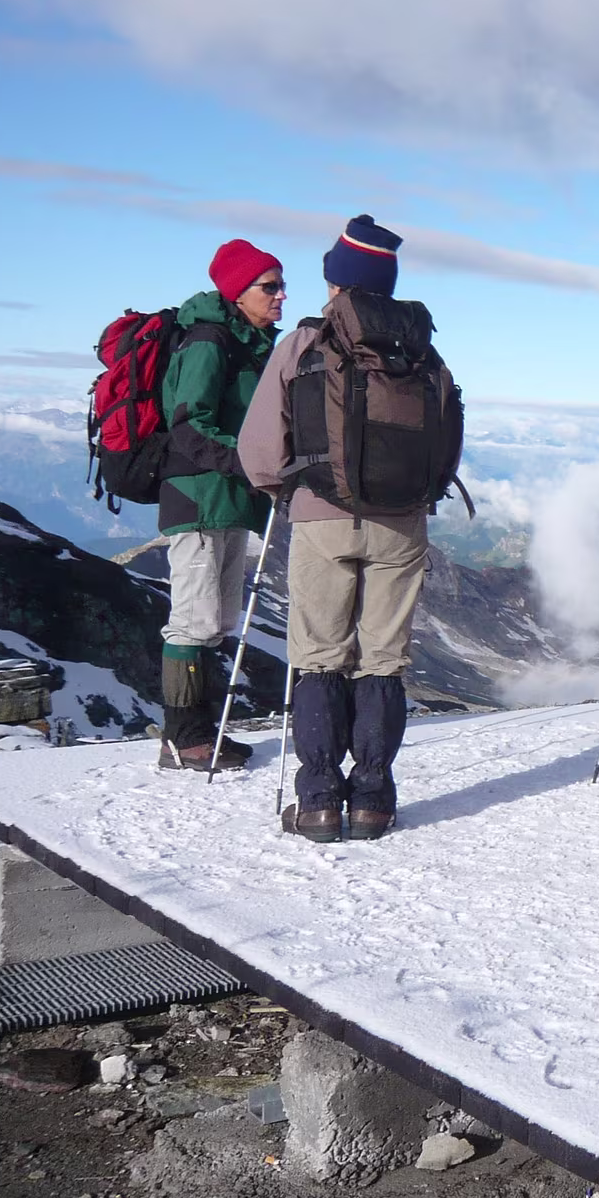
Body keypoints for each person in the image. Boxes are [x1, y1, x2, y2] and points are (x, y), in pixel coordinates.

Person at [240, 215, 444, 843]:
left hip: (321, 517)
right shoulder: (422, 348)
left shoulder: (305, 343)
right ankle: (374, 801)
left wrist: (289, 492)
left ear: (336, 281)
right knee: (383, 660)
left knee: (319, 656)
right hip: (402, 523)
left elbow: (259, 448)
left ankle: (321, 802)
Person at [156, 238, 284, 772]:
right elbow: (189, 426)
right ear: (238, 292)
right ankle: (181, 739)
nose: (281, 296)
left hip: (228, 499)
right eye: (269, 286)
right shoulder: (209, 342)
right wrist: (253, 463)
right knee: (193, 620)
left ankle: (202, 733)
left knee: (216, 620)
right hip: (200, 498)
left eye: (281, 285)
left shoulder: (247, 343)